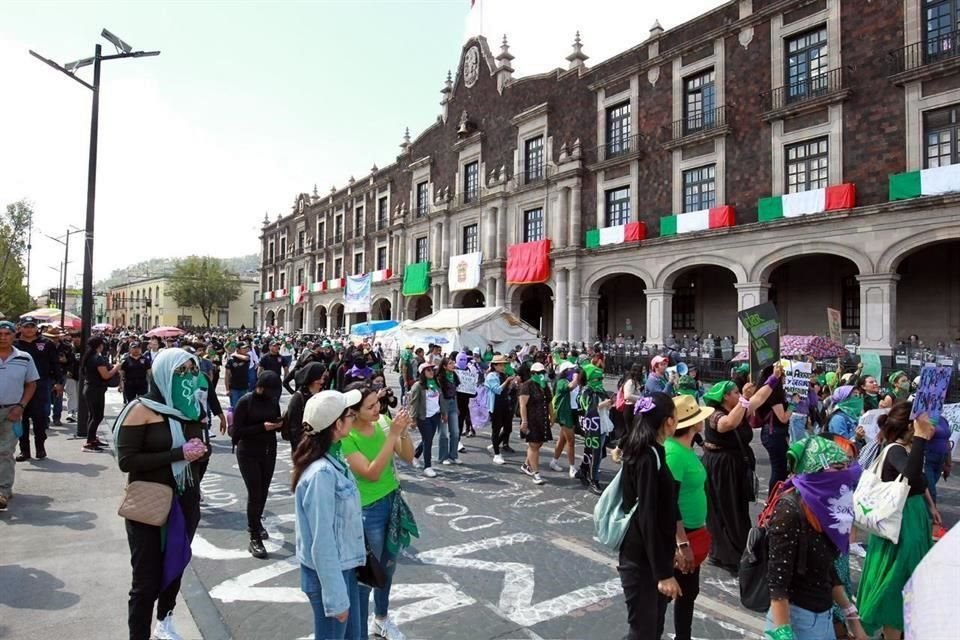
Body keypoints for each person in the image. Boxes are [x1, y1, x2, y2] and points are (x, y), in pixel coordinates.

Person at [114, 348, 209, 640]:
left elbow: (200, 451)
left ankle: (165, 620)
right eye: (181, 371)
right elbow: (126, 461)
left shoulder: (191, 407)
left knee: (175, 567)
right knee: (145, 581)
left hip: (184, 501)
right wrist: (177, 454)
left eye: (192, 371)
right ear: (162, 373)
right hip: (149, 503)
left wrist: (198, 455)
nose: (189, 377)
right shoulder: (140, 409)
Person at [765, 437, 867, 640]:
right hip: (798, 620)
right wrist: (784, 633)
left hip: (822, 616)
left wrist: (852, 617)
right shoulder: (790, 510)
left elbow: (826, 567)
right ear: (815, 471)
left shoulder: (823, 507)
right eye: (838, 467)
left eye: (846, 467)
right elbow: (778, 580)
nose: (845, 475)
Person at [856, 403, 938, 640]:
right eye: (926, 420)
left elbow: (918, 483)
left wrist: (931, 507)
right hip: (900, 526)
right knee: (898, 581)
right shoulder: (895, 450)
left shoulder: (908, 449)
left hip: (912, 518)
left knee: (910, 578)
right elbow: (910, 477)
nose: (931, 424)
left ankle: (902, 631)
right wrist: (921, 439)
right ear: (912, 425)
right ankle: (892, 633)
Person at [342, 385, 415, 640]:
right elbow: (371, 472)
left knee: (387, 567)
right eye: (370, 406)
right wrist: (393, 435)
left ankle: (381, 619)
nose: (377, 410)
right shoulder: (346, 435)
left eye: (377, 404)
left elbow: (408, 457)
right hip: (367, 510)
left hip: (392, 501)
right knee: (366, 575)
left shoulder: (384, 422)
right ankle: (358, 633)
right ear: (353, 411)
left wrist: (402, 433)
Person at [617, 392, 692, 639]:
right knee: (643, 631)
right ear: (669, 421)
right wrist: (663, 573)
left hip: (653, 553)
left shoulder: (655, 451)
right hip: (640, 558)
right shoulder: (647, 456)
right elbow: (647, 516)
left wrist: (675, 547)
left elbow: (666, 505)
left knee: (653, 627)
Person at [292, 389, 365, 640]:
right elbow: (321, 540)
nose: (353, 417)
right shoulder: (321, 473)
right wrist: (335, 597)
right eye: (349, 414)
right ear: (337, 424)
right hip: (329, 577)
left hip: (343, 569)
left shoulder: (334, 460)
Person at [664, 394, 714, 640]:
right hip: (681, 537)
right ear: (691, 423)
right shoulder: (674, 454)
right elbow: (668, 502)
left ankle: (682, 636)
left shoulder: (685, 448)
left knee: (688, 591)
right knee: (667, 593)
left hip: (694, 531)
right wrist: (680, 542)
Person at [701, 380, 755, 573]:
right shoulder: (714, 413)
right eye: (735, 392)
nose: (739, 395)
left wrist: (773, 380)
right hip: (720, 466)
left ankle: (738, 550)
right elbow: (727, 424)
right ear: (725, 396)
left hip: (734, 465)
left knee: (737, 508)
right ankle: (725, 554)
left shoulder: (739, 408)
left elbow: (757, 400)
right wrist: (745, 398)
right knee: (724, 509)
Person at [232, 371, 283, 558]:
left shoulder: (272, 401)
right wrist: (262, 427)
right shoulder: (246, 401)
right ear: (261, 387)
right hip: (248, 452)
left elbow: (276, 419)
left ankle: (257, 522)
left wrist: (279, 424)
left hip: (269, 450)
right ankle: (254, 536)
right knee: (254, 492)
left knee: (263, 491)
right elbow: (236, 432)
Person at [0, 320, 39, 511]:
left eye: (7, 333)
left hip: (12, 410)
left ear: (15, 335)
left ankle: (3, 491)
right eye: (0, 334)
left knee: (6, 451)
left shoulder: (24, 358)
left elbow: (32, 383)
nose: (3, 337)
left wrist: (21, 406)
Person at [13, 316, 61, 461]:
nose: (29, 329)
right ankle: (24, 450)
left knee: (40, 418)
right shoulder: (14, 343)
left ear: (36, 328)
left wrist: (58, 382)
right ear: (20, 327)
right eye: (26, 326)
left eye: (32, 326)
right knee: (22, 420)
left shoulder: (46, 344)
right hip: (18, 385)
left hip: (40, 385)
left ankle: (40, 447)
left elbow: (55, 363)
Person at [753, 363, 793, 495]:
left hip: (774, 433)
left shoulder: (775, 393)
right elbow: (782, 417)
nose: (784, 379)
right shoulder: (774, 394)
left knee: (781, 468)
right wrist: (793, 405)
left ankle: (775, 497)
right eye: (782, 376)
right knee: (779, 469)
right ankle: (773, 499)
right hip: (774, 433)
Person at [81, 336, 122, 452]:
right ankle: (89, 442)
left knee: (93, 415)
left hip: (92, 388)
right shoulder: (96, 358)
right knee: (97, 416)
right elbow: (106, 375)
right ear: (100, 345)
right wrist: (116, 368)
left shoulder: (89, 357)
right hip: (95, 389)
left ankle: (93, 438)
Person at [407, 362, 444, 477]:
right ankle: (427, 466)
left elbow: (440, 399)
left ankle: (415, 456)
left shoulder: (436, 383)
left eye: (432, 370)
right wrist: (413, 419)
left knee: (427, 439)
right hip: (424, 417)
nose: (431, 372)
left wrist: (443, 412)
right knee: (428, 441)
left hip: (435, 415)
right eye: (428, 370)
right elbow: (414, 403)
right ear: (422, 372)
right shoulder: (418, 385)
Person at [518, 362, 553, 485]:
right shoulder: (527, 386)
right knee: (533, 445)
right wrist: (524, 421)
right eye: (538, 373)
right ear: (532, 373)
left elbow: (549, 401)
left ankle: (526, 464)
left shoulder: (544, 386)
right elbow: (522, 405)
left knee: (539, 443)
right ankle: (536, 473)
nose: (541, 374)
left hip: (542, 419)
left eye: (543, 372)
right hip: (531, 419)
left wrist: (552, 416)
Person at [284, 362, 327, 450]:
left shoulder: (322, 394)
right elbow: (294, 428)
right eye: (321, 377)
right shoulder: (298, 398)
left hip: (320, 445)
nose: (323, 381)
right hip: (304, 447)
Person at [485, 355, 517, 465]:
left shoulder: (503, 375)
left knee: (508, 428)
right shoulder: (491, 376)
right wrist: (507, 381)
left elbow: (507, 389)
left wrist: (512, 383)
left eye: (504, 364)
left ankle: (495, 444)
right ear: (494, 365)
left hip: (505, 404)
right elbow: (497, 390)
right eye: (500, 364)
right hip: (496, 405)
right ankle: (497, 454)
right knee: (496, 429)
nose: (503, 366)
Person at [549, 361, 579, 477]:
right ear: (565, 371)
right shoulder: (562, 382)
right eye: (571, 369)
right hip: (564, 414)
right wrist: (576, 378)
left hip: (572, 411)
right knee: (571, 441)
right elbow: (570, 387)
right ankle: (572, 468)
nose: (573, 371)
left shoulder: (568, 380)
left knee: (563, 439)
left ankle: (554, 461)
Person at [437, 356, 462, 466]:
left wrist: (456, 407)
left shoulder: (454, 376)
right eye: (450, 363)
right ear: (444, 366)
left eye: (453, 363)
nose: (453, 365)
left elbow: (455, 393)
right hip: (444, 404)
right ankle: (443, 457)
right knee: (443, 433)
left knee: (455, 432)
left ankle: (453, 455)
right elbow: (441, 396)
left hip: (452, 403)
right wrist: (444, 412)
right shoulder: (440, 378)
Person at [924, 416, 952, 504]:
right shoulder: (923, 418)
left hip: (940, 460)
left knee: (929, 489)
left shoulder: (943, 420)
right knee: (931, 490)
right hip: (928, 459)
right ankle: (932, 514)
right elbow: (926, 436)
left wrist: (948, 463)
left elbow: (947, 441)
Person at [454, 351, 479, 440]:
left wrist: (473, 392)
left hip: (465, 400)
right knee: (454, 421)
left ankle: (458, 440)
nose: (463, 361)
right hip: (455, 399)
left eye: (464, 359)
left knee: (461, 420)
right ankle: (455, 440)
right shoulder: (453, 369)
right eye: (461, 359)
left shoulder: (469, 369)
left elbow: (472, 383)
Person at [224, 343, 252, 408]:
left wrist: (234, 354)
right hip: (234, 388)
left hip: (245, 387)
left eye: (246, 348)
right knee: (235, 407)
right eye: (244, 348)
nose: (246, 349)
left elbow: (246, 358)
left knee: (245, 408)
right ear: (238, 349)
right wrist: (227, 389)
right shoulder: (231, 360)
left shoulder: (247, 357)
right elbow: (227, 375)